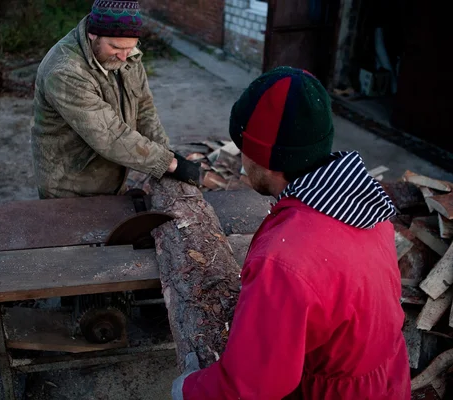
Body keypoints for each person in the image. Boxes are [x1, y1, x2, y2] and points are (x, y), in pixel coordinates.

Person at [172, 67, 411, 399]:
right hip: (387, 381)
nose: (242, 160)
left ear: (265, 158)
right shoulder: (366, 204)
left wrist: (187, 389)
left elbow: (250, 386)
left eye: (244, 149)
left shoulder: (285, 259)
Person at [30, 0, 200, 199]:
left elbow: (144, 108)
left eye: (130, 48)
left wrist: (167, 153)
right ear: (93, 34)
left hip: (111, 181)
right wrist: (168, 163)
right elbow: (109, 135)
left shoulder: (126, 53)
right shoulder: (65, 72)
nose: (123, 57)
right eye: (115, 48)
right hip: (71, 188)